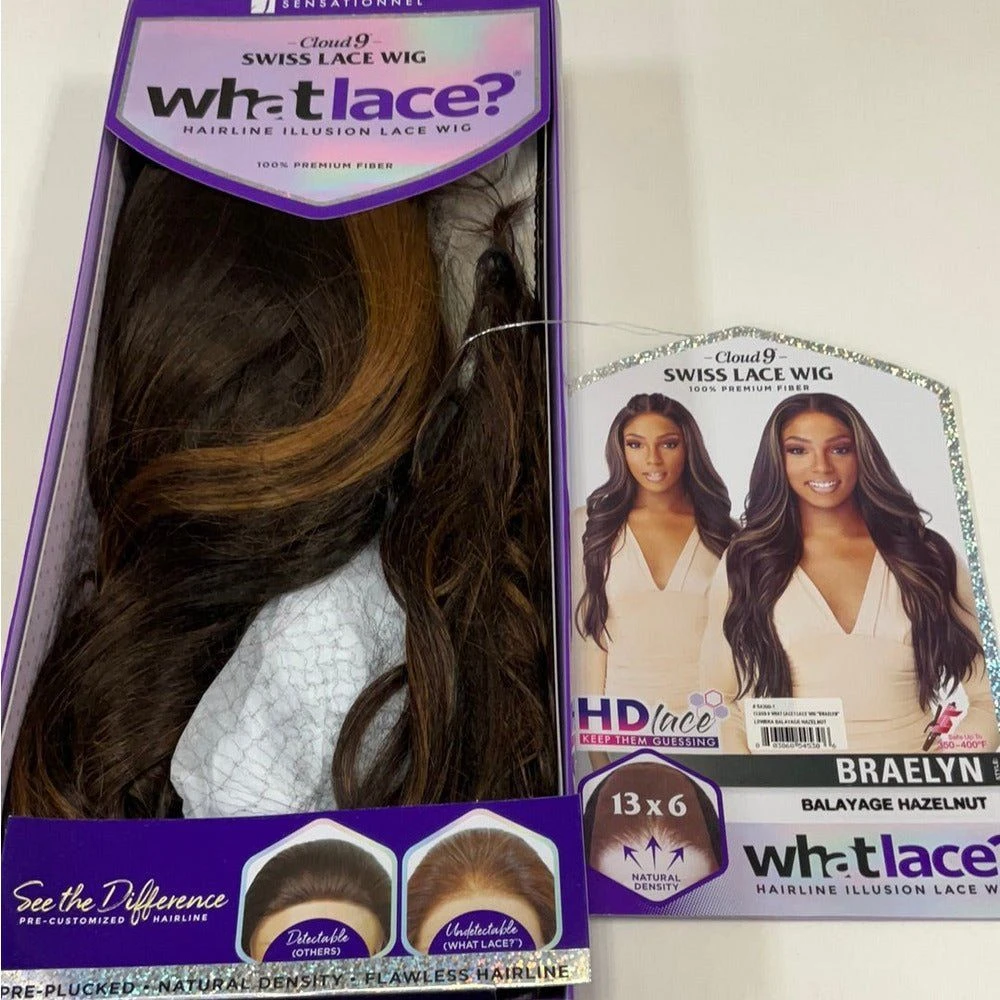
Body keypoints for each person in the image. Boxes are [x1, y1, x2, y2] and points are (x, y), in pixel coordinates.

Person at [701, 392, 999, 754]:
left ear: (862, 455)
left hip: (908, 783)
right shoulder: (747, 561)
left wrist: (940, 770)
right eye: (798, 450)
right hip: (788, 784)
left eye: (839, 449)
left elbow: (989, 698)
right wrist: (755, 783)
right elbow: (721, 699)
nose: (822, 467)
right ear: (777, 461)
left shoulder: (925, 556)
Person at [574, 393, 736, 710]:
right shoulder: (591, 526)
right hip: (622, 721)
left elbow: (738, 647)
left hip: (709, 720)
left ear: (689, 448)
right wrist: (592, 734)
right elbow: (589, 644)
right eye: (636, 444)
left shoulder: (725, 535)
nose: (652, 459)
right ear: (619, 450)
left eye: (668, 444)